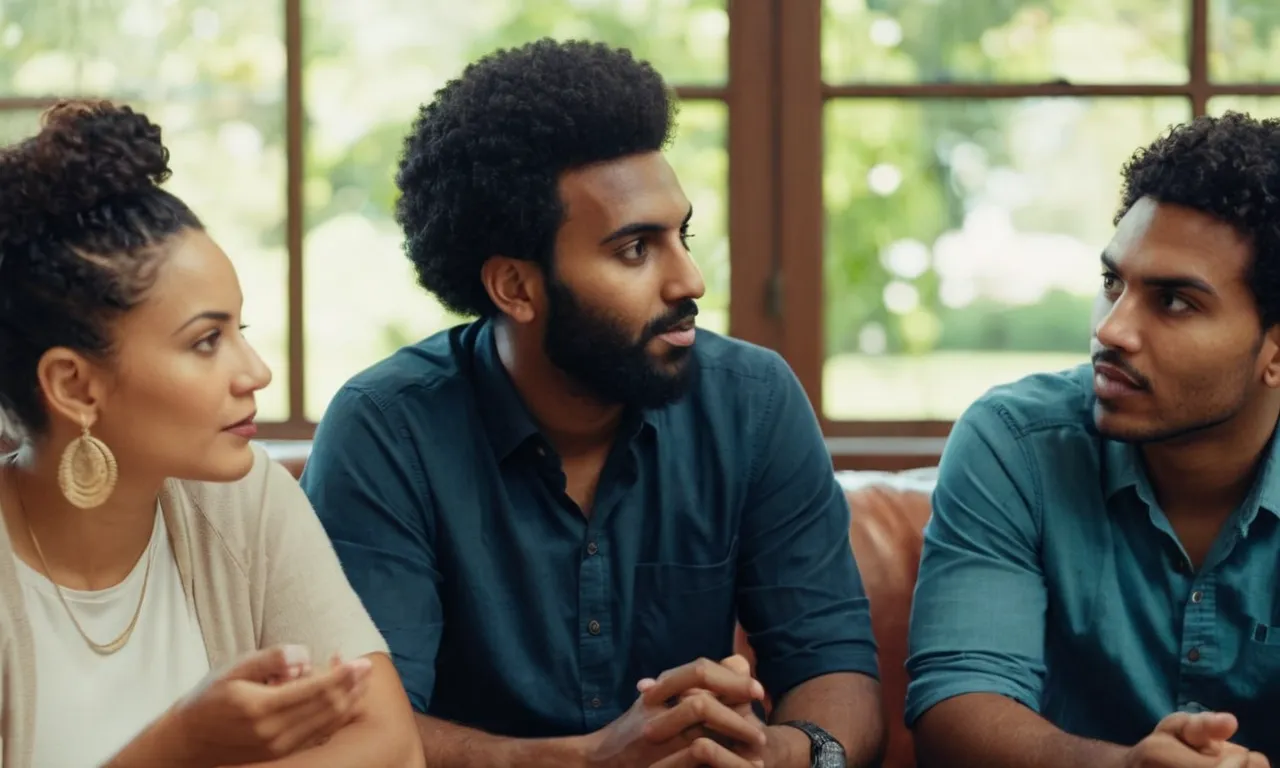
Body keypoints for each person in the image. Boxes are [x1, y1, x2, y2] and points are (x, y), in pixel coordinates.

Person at [303, 38, 883, 768]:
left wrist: (783, 754)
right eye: (636, 249)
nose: (691, 280)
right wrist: (588, 761)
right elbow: (362, 729)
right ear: (515, 287)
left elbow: (836, 671)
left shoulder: (755, 403)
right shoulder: (387, 430)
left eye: (683, 235)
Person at [0, 101, 423, 768]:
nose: (254, 372)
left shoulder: (244, 498)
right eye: (205, 342)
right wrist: (175, 751)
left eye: (240, 332)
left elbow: (390, 745)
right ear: (77, 388)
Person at [905, 111, 1280, 767]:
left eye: (1174, 302)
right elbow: (955, 705)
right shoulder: (1015, 444)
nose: (1112, 330)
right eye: (1113, 283)